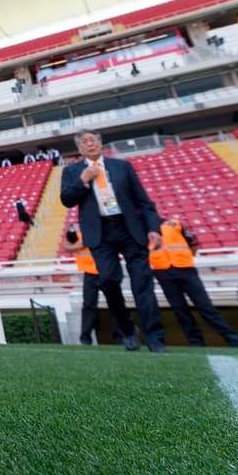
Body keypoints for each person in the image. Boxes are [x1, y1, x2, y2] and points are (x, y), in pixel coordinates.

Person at [60, 130, 167, 353]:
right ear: (79, 149)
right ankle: (128, 330)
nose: (90, 144)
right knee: (108, 282)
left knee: (142, 284)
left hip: (129, 228)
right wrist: (83, 181)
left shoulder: (122, 166)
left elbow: (144, 201)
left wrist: (154, 229)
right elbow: (67, 200)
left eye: (93, 140)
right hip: (100, 231)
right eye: (84, 142)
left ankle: (154, 338)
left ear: (100, 144)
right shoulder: (72, 171)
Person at [150, 218, 238, 348]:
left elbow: (193, 242)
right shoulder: (140, 228)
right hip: (163, 273)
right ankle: (196, 342)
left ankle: (234, 340)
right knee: (180, 310)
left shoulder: (173, 223)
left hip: (185, 269)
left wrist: (186, 259)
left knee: (205, 307)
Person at [61, 222, 130, 345]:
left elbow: (83, 243)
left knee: (114, 304)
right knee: (89, 305)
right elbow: (67, 246)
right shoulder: (76, 228)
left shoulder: (104, 224)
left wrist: (76, 245)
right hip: (90, 272)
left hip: (105, 270)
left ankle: (120, 336)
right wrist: (78, 245)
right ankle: (85, 337)